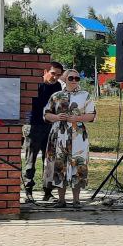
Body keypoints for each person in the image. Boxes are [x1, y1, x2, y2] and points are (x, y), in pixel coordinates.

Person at [43, 70, 97, 208]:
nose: (74, 80)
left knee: (77, 164)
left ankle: (76, 201)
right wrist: (56, 117)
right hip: (59, 134)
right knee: (59, 164)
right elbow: (46, 114)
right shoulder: (56, 96)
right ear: (65, 79)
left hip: (77, 134)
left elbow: (92, 115)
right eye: (71, 78)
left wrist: (78, 118)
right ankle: (61, 200)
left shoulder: (85, 95)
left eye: (77, 78)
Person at [24, 61, 64, 203]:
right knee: (30, 161)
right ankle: (28, 191)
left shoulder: (58, 86)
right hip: (34, 125)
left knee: (49, 161)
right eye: (53, 74)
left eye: (59, 75)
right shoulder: (36, 84)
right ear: (45, 71)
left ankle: (48, 191)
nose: (55, 77)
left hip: (50, 127)